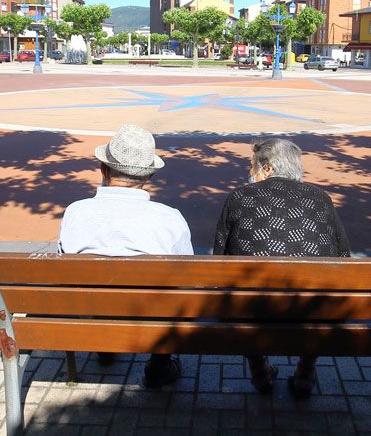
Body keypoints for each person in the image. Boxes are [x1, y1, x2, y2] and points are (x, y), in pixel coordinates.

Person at [57, 123, 193, 388]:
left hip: (90, 307)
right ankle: (159, 364)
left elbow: (63, 265)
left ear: (103, 169)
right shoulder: (169, 218)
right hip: (151, 315)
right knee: (171, 291)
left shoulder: (76, 212)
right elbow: (186, 278)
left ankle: (104, 345)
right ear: (149, 176)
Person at [213, 138, 350, 399]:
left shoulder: (239, 197)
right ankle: (306, 370)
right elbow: (344, 256)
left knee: (242, 292)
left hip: (253, 312)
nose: (249, 171)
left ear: (267, 168)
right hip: (312, 313)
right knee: (319, 290)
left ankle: (259, 370)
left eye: (252, 165)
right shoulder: (321, 199)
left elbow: (220, 260)